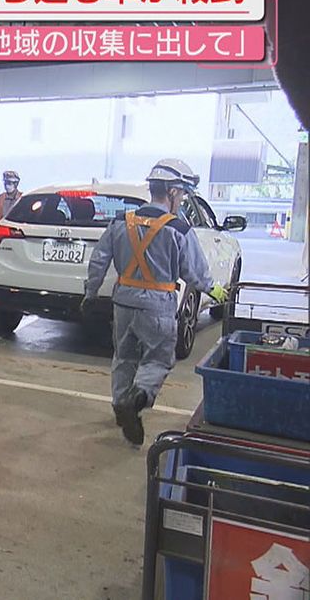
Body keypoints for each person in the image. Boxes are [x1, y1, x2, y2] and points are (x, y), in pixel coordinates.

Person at [83, 159, 229, 446]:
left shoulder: (120, 223)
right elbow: (196, 274)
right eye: (183, 194)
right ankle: (135, 401)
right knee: (158, 359)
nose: (183, 200)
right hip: (157, 306)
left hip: (123, 303)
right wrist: (218, 292)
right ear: (173, 193)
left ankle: (119, 406)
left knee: (124, 357)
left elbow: (98, 261)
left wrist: (90, 294)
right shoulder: (179, 229)